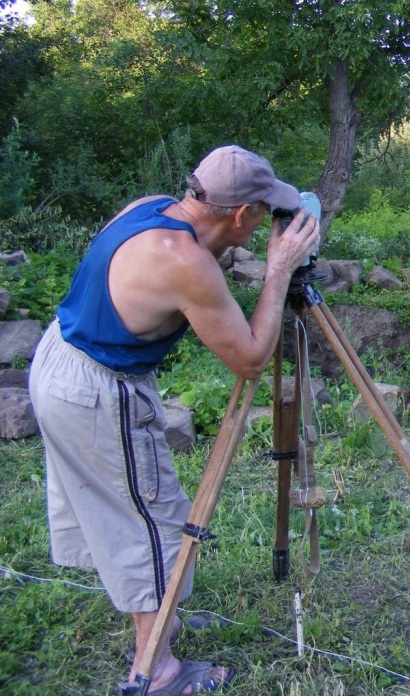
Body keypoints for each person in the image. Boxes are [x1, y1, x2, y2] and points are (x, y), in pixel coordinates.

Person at [28, 145, 320, 694]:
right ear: (241, 215)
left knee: (125, 509)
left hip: (62, 355)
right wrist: (279, 270)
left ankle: (159, 622)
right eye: (265, 212)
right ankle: (156, 669)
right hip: (97, 388)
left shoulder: (153, 207)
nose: (270, 223)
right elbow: (252, 358)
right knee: (154, 522)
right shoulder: (185, 263)